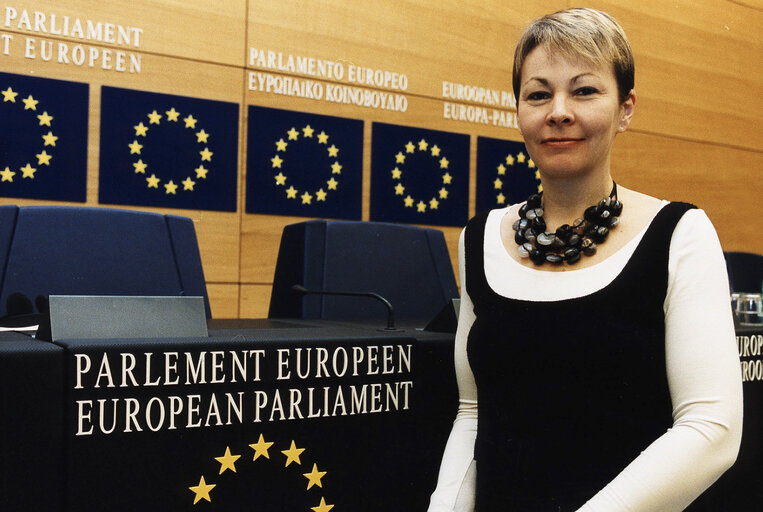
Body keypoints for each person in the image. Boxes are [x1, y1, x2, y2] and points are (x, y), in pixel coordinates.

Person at [427, 8, 742, 512]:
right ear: (518, 111)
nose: (558, 111)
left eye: (584, 90)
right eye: (537, 94)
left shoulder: (680, 233)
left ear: (626, 108)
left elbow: (711, 431)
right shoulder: (478, 238)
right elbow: (473, 412)